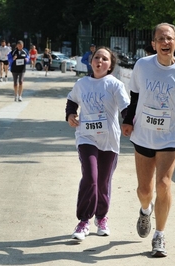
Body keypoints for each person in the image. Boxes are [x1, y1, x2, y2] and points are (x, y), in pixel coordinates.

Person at [121, 23, 175, 257]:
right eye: (160, 39)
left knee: (163, 184)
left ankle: (159, 235)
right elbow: (135, 96)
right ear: (154, 44)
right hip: (144, 134)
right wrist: (128, 121)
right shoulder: (142, 66)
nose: (165, 43)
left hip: (170, 135)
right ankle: (145, 210)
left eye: (169, 39)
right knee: (145, 189)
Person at [65, 46, 130, 241]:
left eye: (104, 59)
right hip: (86, 137)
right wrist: (70, 115)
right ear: (91, 61)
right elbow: (72, 101)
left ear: (110, 65)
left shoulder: (115, 84)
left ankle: (101, 217)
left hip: (109, 140)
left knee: (103, 181)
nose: (99, 61)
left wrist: (128, 123)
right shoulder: (82, 83)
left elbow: (126, 108)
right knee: (90, 177)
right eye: (96, 57)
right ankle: (84, 220)